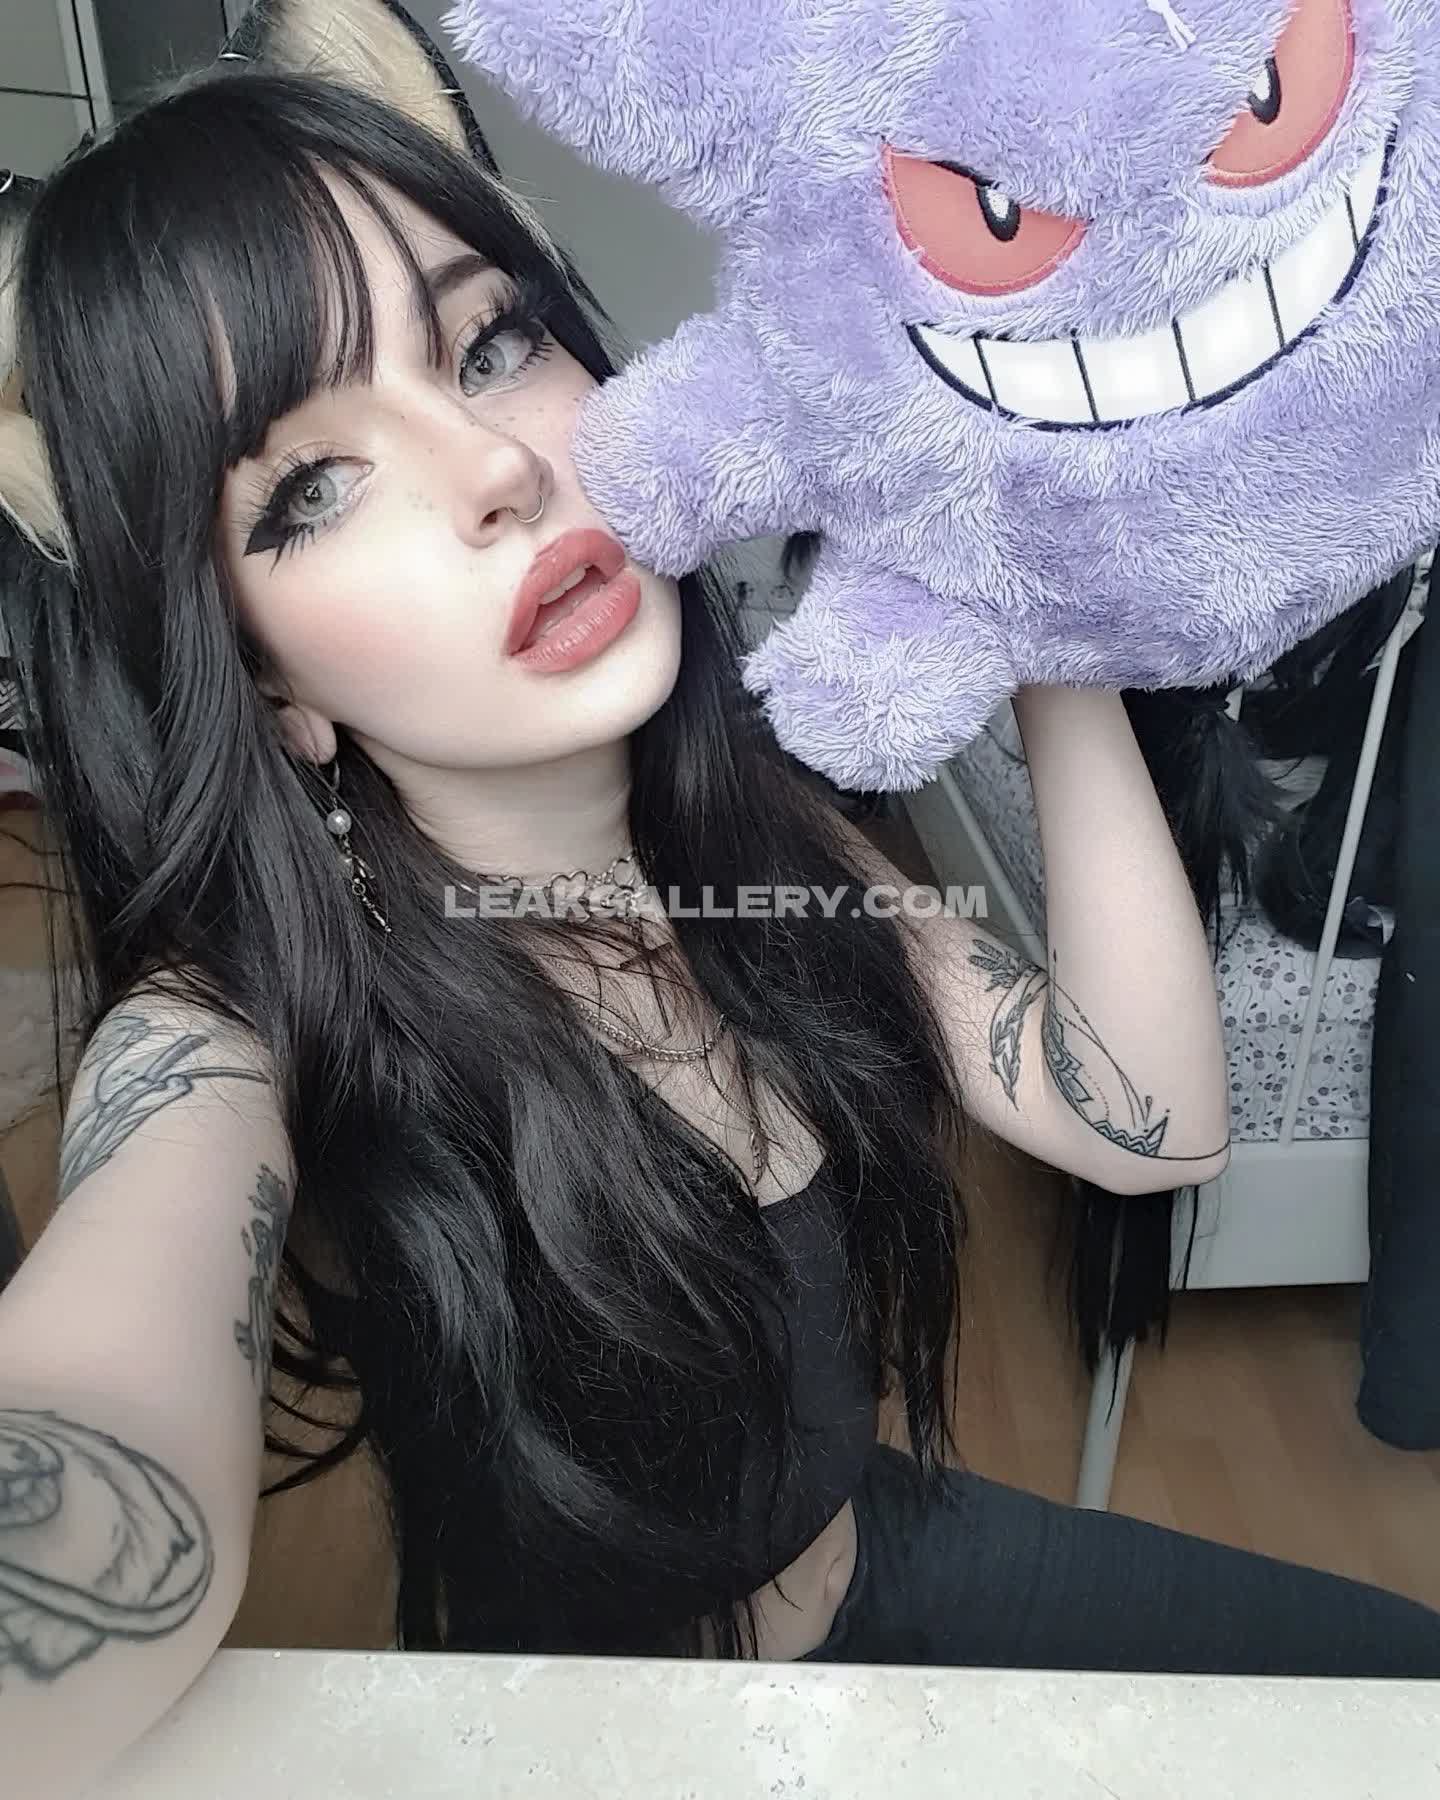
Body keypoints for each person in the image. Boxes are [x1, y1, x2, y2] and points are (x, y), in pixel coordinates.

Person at [2, 64, 1438, 1798]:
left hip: (888, 1562)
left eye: (488, 345)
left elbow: (1146, 1121)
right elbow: (92, 1427)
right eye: (311, 486)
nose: (493, 469)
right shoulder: (230, 1029)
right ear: (266, 687)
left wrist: (1043, 610)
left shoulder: (762, 840)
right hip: (651, 1745)